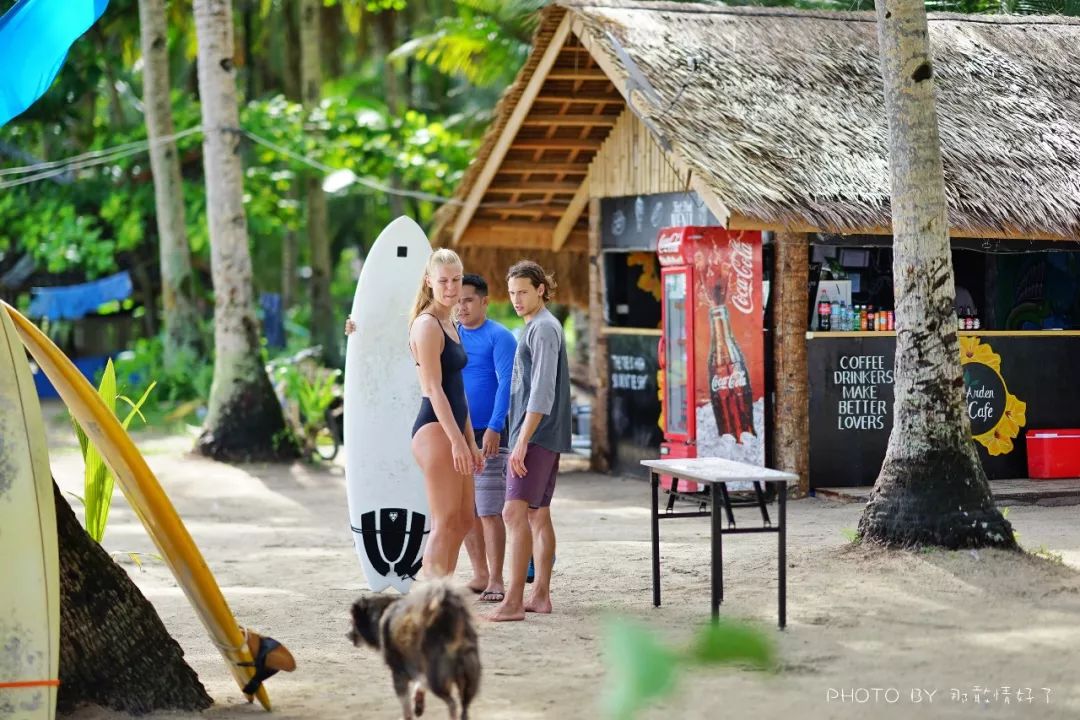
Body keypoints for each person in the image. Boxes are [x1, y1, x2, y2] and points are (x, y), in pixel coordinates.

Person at [344, 248, 483, 578]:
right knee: (445, 520)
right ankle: (430, 604)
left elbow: (457, 391)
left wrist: (470, 441)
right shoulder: (427, 325)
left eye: (457, 280)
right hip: (435, 430)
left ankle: (442, 598)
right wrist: (456, 442)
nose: (451, 287)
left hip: (452, 429)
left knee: (463, 520)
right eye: (444, 281)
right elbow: (434, 390)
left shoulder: (450, 323)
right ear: (429, 282)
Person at [490, 260, 572, 622]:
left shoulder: (544, 328)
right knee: (538, 514)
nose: (516, 299)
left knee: (513, 511)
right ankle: (540, 596)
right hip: (539, 432)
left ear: (541, 289)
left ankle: (513, 601)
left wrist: (522, 440)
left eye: (523, 291)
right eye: (511, 293)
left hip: (537, 433)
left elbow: (541, 390)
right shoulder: (537, 326)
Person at [456, 273, 517, 603]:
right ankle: (479, 573)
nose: (461, 307)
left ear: (483, 301)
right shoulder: (451, 334)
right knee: (466, 510)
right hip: (457, 434)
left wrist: (494, 427)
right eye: (458, 300)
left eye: (468, 300)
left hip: (488, 432)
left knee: (489, 509)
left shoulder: (500, 337)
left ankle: (496, 579)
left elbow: (507, 384)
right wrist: (357, 327)